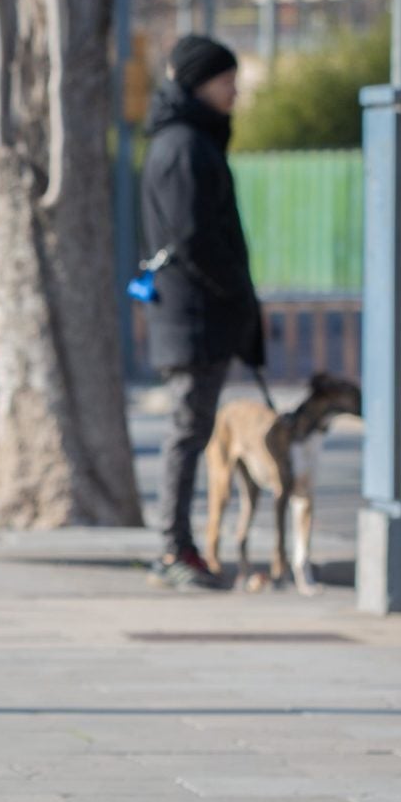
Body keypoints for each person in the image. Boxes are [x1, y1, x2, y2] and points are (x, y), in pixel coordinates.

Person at [139, 33, 265, 591]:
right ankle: (173, 549)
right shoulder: (185, 145)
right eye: (225, 78)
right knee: (188, 432)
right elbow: (196, 238)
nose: (234, 89)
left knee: (192, 429)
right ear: (197, 82)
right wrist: (238, 296)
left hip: (195, 313)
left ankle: (177, 545)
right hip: (195, 316)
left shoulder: (187, 140)